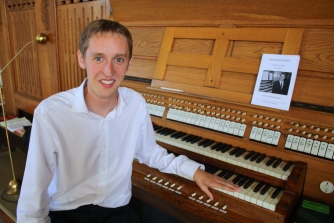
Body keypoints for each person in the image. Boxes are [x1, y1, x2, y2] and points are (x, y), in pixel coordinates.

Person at [17, 19, 240, 223]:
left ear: (129, 63)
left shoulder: (136, 103)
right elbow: (33, 193)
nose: (108, 71)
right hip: (67, 215)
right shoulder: (51, 112)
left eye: (118, 59)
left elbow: (150, 153)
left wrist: (194, 171)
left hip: (117, 212)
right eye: (98, 58)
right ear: (81, 59)